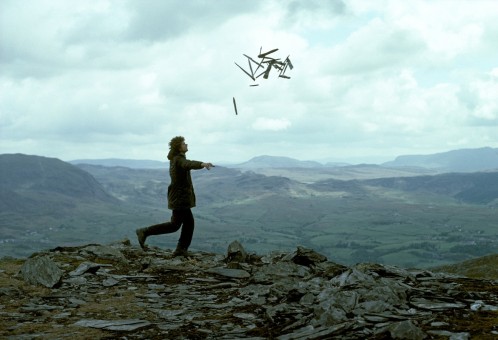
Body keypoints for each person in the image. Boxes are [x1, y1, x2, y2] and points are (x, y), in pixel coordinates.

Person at [136, 136, 214, 256]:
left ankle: (181, 249)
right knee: (175, 225)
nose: (186, 144)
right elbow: (188, 164)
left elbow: (186, 164)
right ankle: (145, 232)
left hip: (180, 197)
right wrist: (202, 164)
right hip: (179, 198)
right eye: (184, 143)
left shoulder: (177, 158)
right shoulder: (179, 159)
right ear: (179, 147)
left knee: (188, 223)